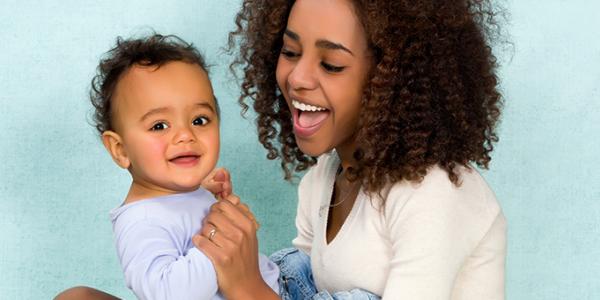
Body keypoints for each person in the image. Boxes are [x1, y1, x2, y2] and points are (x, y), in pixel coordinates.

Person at [193, 0, 507, 299]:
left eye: (331, 65)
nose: (297, 78)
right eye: (290, 52)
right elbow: (296, 289)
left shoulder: (432, 194)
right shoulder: (322, 178)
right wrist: (210, 223)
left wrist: (248, 290)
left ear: (392, 79)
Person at [70, 34, 279, 300]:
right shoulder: (140, 222)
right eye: (159, 126)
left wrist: (201, 194)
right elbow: (171, 293)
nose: (185, 135)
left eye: (200, 120)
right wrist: (223, 238)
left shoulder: (170, 193)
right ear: (120, 150)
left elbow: (180, 222)